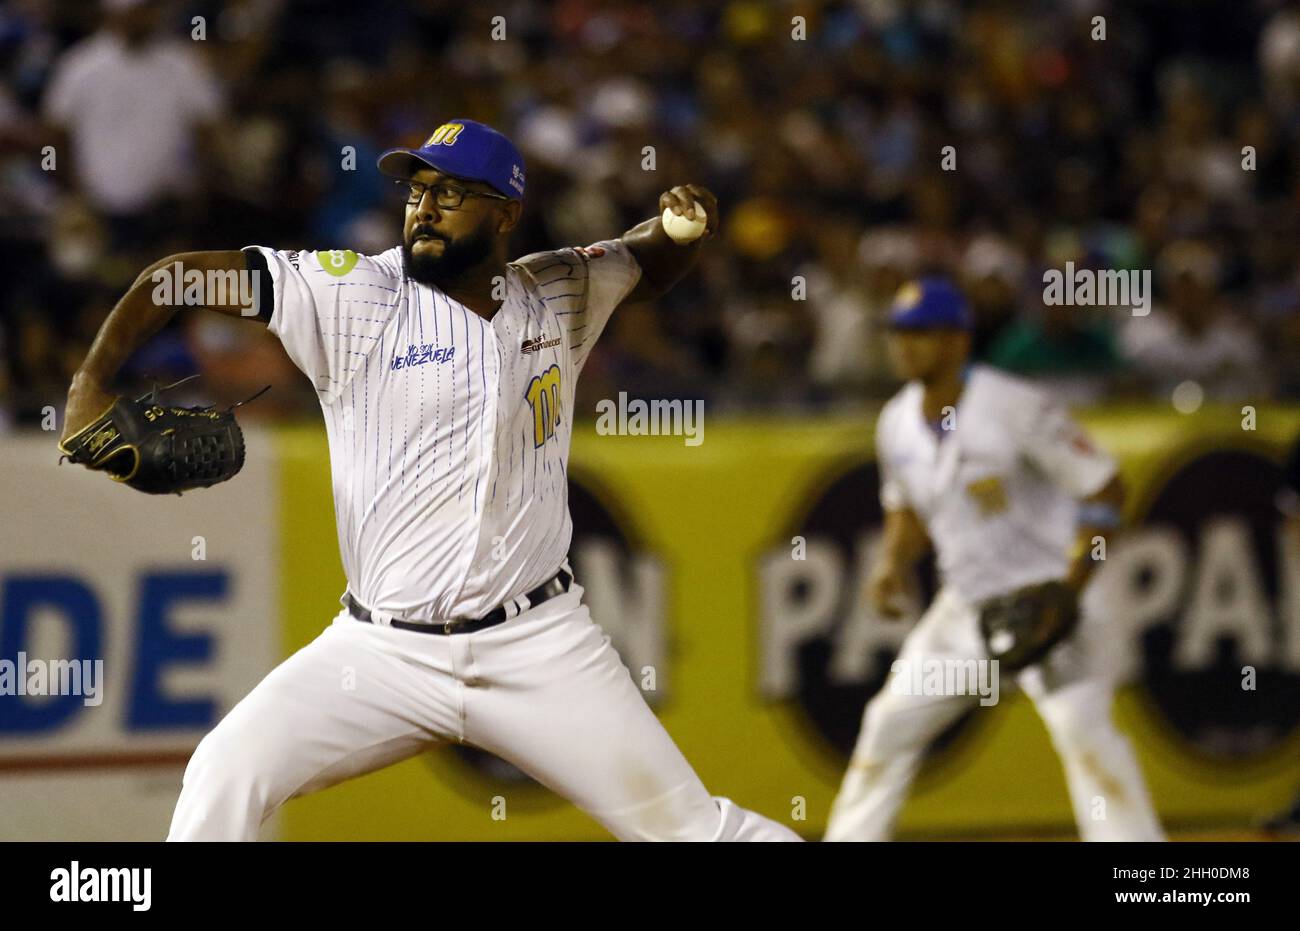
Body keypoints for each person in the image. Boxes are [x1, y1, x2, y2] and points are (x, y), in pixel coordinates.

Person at [60, 118, 801, 842]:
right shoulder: (351, 293)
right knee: (226, 769)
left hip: (540, 644)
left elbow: (640, 262)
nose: (425, 207)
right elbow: (176, 278)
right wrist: (91, 384)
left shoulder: (558, 289)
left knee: (693, 827)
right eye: (417, 190)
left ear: (506, 213)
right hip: (380, 652)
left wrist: (682, 227)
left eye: (452, 193)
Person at [824, 277, 1164, 841]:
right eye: (898, 333)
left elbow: (1105, 488)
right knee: (887, 726)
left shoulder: (1013, 405)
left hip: (1053, 594)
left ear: (959, 340)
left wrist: (1072, 591)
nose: (904, 345)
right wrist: (891, 564)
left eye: (921, 333)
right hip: (967, 610)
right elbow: (905, 508)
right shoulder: (895, 421)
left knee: (1087, 737)